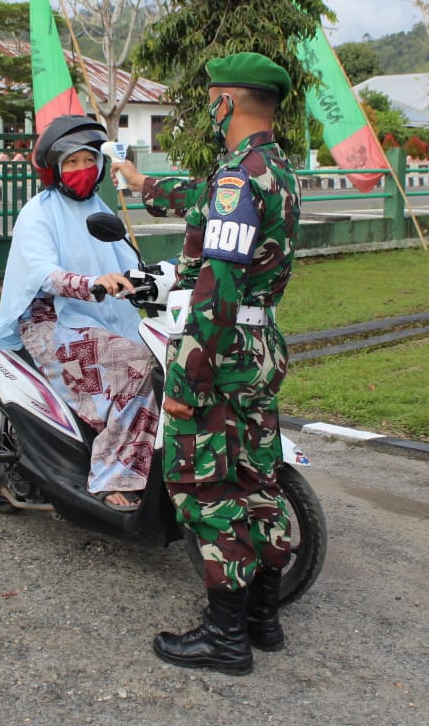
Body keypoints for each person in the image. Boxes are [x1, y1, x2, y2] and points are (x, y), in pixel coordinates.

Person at [113, 52, 303, 676]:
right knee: (259, 478)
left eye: (213, 98)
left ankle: (225, 641)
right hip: (258, 348)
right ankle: (262, 620)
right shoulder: (273, 169)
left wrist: (186, 381)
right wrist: (143, 185)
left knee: (208, 489)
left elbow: (216, 281)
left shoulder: (236, 179)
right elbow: (202, 198)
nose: (209, 108)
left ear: (228, 101)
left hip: (216, 353)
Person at [0, 115, 159, 510]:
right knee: (136, 367)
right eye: (71, 162)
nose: (82, 170)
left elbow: (127, 262)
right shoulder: (38, 213)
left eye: (88, 160)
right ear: (55, 169)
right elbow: (42, 273)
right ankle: (112, 477)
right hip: (52, 322)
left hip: (104, 318)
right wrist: (91, 283)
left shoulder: (101, 209)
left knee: (165, 365)